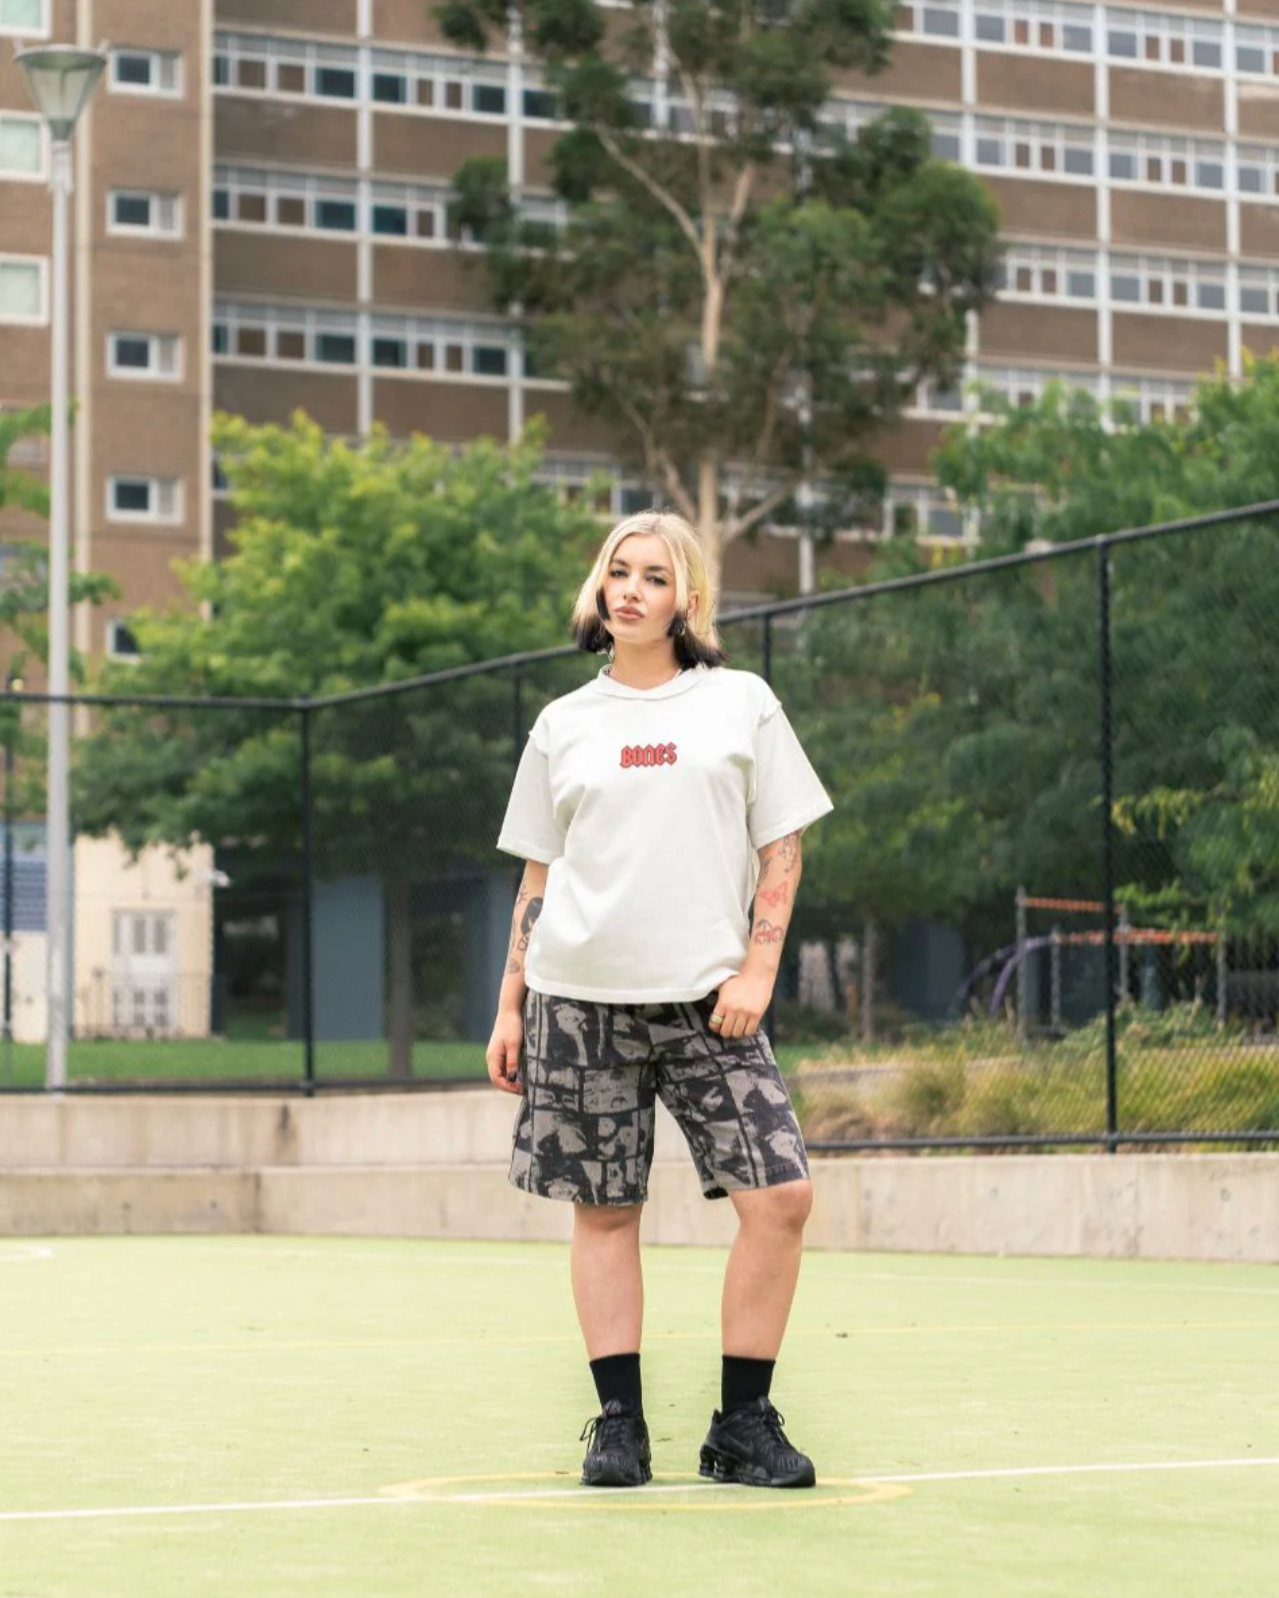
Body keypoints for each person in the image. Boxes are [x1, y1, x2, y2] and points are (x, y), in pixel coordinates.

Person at [486, 510, 833, 1491]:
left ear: (687, 596)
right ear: (599, 591)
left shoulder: (740, 702)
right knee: (605, 1209)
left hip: (709, 1001)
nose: (630, 589)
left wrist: (757, 969)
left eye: (653, 574)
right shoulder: (563, 723)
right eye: (617, 573)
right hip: (575, 998)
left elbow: (782, 843)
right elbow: (537, 877)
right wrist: (510, 1003)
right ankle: (617, 1424)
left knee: (780, 1195)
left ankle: (742, 1422)